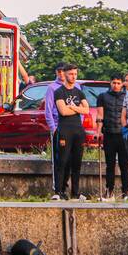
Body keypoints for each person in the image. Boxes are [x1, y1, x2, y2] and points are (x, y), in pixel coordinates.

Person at [51, 65, 88, 200]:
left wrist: (72, 107)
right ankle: (59, 191)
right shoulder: (59, 92)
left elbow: (87, 110)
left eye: (75, 74)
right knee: (63, 161)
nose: (74, 76)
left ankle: (76, 192)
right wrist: (78, 108)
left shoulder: (79, 92)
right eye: (71, 74)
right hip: (64, 130)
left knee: (77, 163)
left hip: (78, 130)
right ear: (65, 74)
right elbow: (63, 112)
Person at [96, 75, 128, 200]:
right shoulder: (102, 97)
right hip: (109, 134)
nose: (116, 85)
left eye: (118, 83)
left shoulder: (127, 97)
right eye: (114, 82)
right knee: (110, 165)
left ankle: (126, 191)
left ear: (122, 84)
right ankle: (109, 190)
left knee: (124, 164)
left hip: (123, 135)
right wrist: (98, 131)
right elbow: (100, 115)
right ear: (110, 83)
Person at [43, 62, 67, 192]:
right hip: (58, 126)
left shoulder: (75, 86)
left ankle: (66, 187)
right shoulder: (52, 88)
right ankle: (57, 188)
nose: (61, 74)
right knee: (58, 158)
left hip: (71, 126)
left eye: (64, 71)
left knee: (70, 159)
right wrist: (53, 128)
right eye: (59, 71)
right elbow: (48, 110)